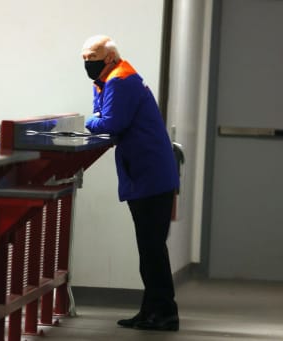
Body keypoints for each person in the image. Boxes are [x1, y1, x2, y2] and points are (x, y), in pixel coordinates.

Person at [82, 35, 180, 331]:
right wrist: (99, 113)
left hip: (150, 175)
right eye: (85, 59)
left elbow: (110, 122)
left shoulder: (120, 80)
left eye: (93, 58)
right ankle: (150, 310)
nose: (88, 64)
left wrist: (90, 120)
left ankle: (165, 313)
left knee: (151, 248)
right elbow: (107, 115)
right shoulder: (110, 78)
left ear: (109, 57)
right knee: (149, 248)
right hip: (146, 173)